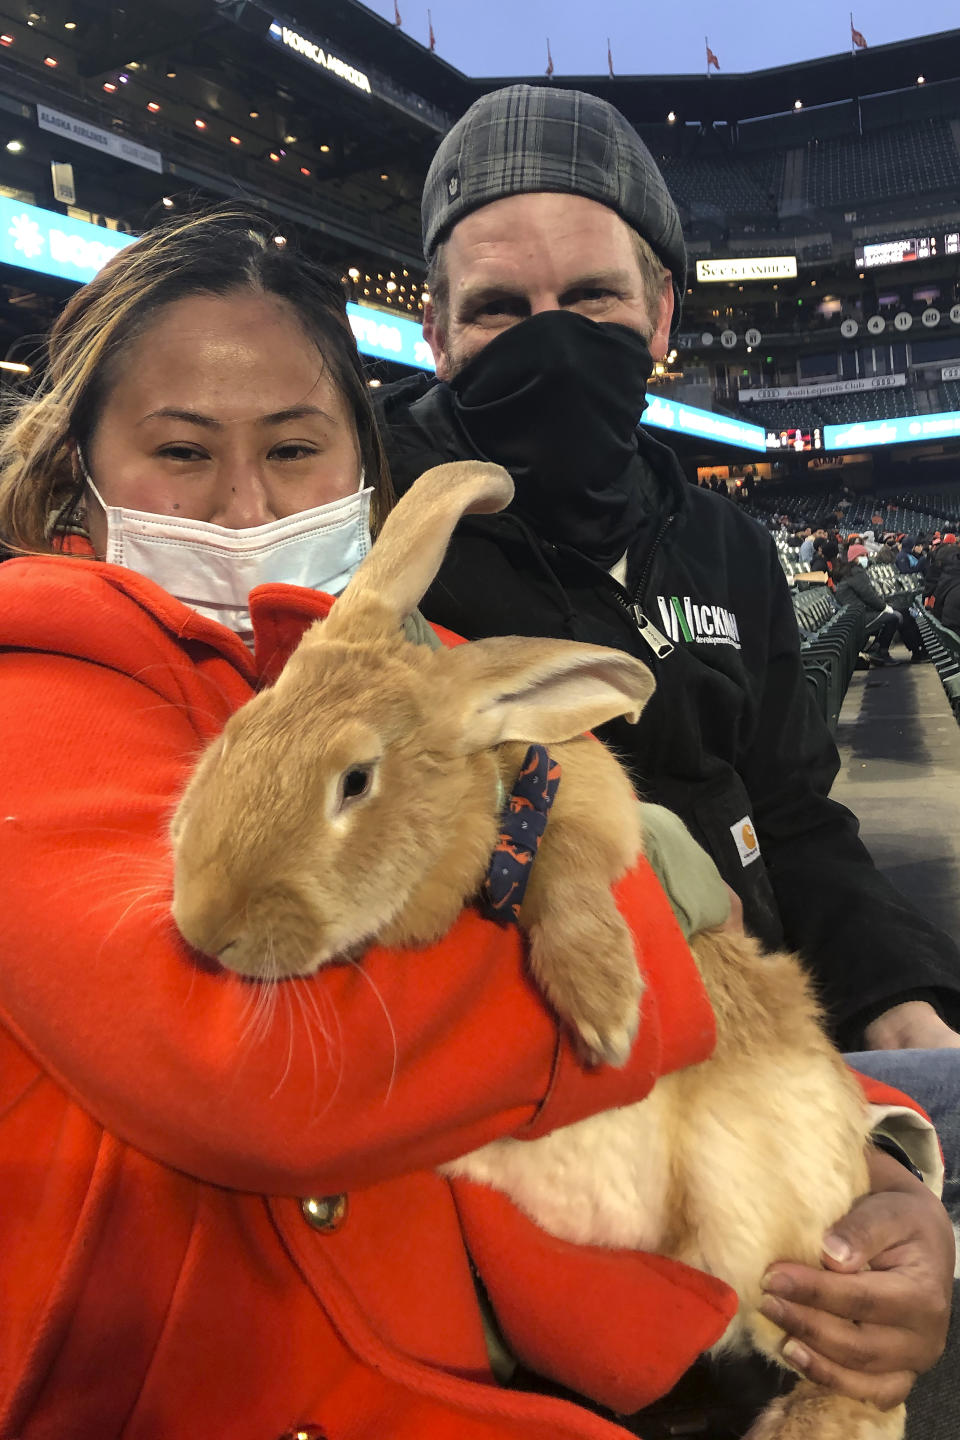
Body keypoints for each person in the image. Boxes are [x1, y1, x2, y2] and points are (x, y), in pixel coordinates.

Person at [0, 204, 786, 1438]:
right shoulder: (35, 691)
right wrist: (642, 892)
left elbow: (578, 779)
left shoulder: (385, 661)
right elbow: (257, 1074)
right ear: (78, 478)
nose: (247, 506)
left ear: (366, 480)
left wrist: (877, 1160)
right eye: (185, 454)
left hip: (545, 1323)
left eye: (298, 450)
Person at [375, 82, 960, 1423]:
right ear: (435, 330)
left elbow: (799, 818)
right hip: (539, 1100)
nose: (551, 342)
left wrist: (896, 992)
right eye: (499, 312)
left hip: (766, 1044)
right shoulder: (374, 530)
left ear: (664, 320)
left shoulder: (729, 546)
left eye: (591, 301)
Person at [833, 552, 922, 665]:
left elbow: (869, 596)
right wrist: (884, 607)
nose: (867, 557)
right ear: (854, 559)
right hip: (857, 616)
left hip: (860, 612)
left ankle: (915, 650)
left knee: (903, 611)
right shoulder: (854, 573)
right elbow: (868, 596)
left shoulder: (851, 573)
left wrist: (885, 606)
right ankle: (882, 652)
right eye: (862, 554)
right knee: (894, 617)